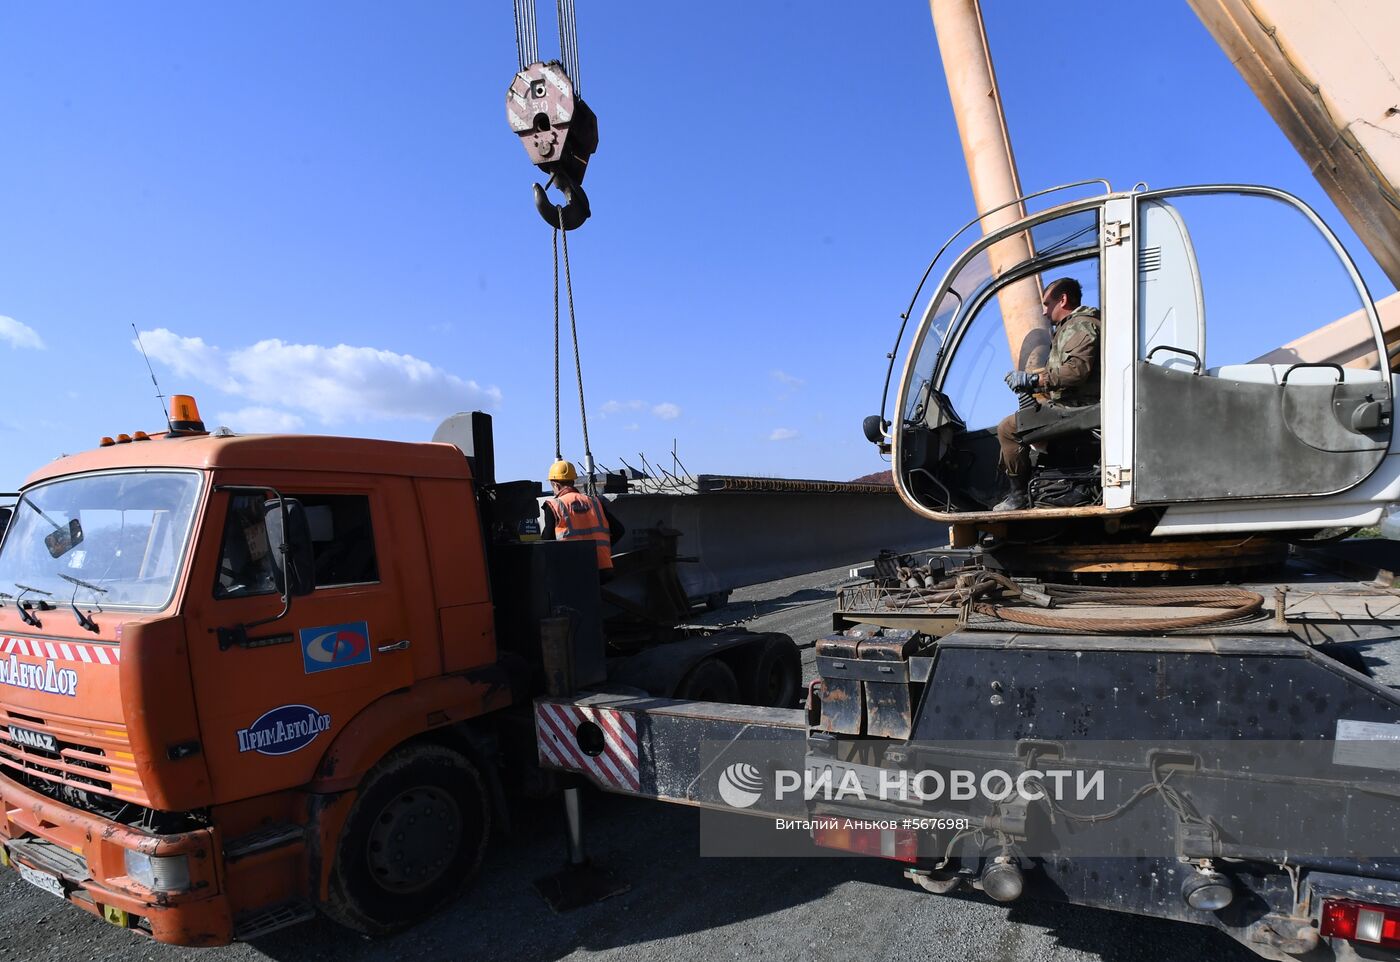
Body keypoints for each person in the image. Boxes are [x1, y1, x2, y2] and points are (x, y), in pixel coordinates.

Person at [993, 277, 1102, 511]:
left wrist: (1034, 379)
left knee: (1008, 429)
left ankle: (1018, 495)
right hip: (1076, 406)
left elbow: (1076, 372)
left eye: (1047, 304)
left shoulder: (1080, 325)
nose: (1043, 312)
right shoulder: (1070, 328)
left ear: (1062, 300)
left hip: (1080, 408)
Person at [540, 460, 625, 576]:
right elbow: (619, 530)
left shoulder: (554, 505)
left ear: (555, 484)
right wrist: (603, 550)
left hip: (573, 571)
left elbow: (546, 542)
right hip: (602, 569)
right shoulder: (595, 502)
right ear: (573, 482)